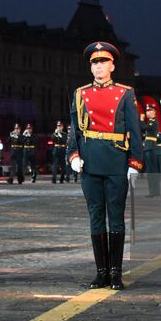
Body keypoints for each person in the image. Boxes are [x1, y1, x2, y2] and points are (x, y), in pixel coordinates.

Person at [66, 41, 143, 290]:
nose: (98, 66)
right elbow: (74, 129)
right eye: (94, 63)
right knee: (95, 217)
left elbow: (134, 130)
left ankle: (116, 272)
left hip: (116, 161)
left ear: (112, 65)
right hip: (89, 161)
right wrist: (73, 155)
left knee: (116, 217)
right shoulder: (80, 93)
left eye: (103, 62)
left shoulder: (125, 92)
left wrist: (135, 162)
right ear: (91, 68)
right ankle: (101, 272)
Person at [138, 100, 161, 197]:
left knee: (151, 171)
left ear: (154, 112)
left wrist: (141, 120)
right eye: (147, 111)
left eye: (149, 111)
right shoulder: (152, 123)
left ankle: (153, 192)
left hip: (150, 147)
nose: (147, 112)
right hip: (149, 147)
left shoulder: (153, 123)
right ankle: (155, 192)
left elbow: (143, 127)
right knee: (152, 170)